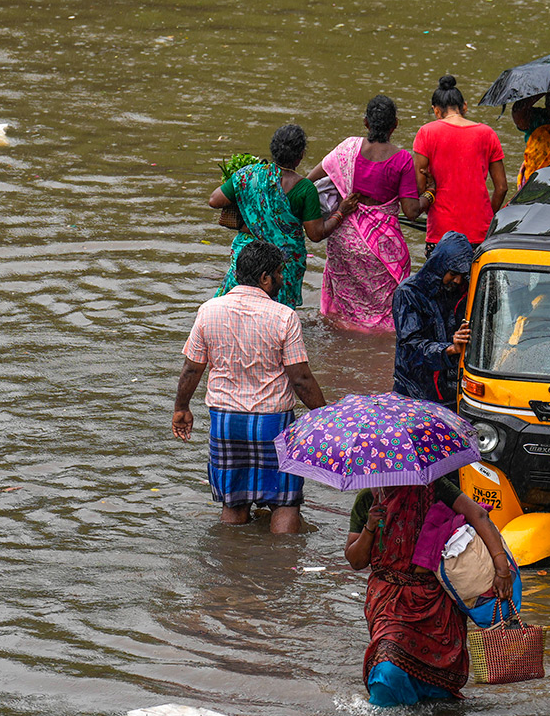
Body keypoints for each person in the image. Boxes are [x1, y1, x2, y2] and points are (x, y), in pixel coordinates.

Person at [171, 240, 327, 533]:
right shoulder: (284, 317)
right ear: (265, 278)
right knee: (285, 501)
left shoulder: (209, 311)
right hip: (273, 423)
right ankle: (282, 569)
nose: (283, 279)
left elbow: (192, 367)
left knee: (234, 502)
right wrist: (327, 415)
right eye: (279, 273)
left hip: (226, 423)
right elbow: (301, 379)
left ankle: (231, 564)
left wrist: (181, 408)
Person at [344, 478, 513, 706]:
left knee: (439, 685)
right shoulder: (368, 498)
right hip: (389, 601)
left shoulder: (436, 488)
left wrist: (501, 566)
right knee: (387, 664)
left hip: (435, 600)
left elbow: (478, 515)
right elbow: (355, 560)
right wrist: (370, 526)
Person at [306, 95, 431, 333]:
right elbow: (411, 211)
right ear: (395, 125)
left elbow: (310, 182)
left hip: (343, 239)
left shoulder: (347, 149)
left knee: (345, 312)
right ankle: (377, 348)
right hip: (381, 249)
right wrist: (430, 194)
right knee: (384, 315)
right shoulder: (403, 159)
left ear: (366, 123)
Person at [209, 124, 351, 310]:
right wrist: (342, 211)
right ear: (300, 156)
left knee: (237, 307)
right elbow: (316, 234)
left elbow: (214, 200)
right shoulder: (305, 189)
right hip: (281, 265)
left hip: (248, 256)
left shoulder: (248, 175)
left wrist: (249, 202)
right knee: (276, 314)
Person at [412, 75, 507, 254]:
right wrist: (487, 216)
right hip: (479, 233)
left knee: (441, 281)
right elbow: (501, 188)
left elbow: (419, 186)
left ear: (436, 111)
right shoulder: (488, 134)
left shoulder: (426, 133)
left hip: (441, 233)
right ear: (464, 106)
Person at [391, 231, 473, 409]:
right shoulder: (408, 293)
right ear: (439, 265)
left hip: (450, 387)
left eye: (462, 275)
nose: (458, 280)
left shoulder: (464, 291)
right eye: (453, 274)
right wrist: (450, 349)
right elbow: (410, 347)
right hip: (413, 389)